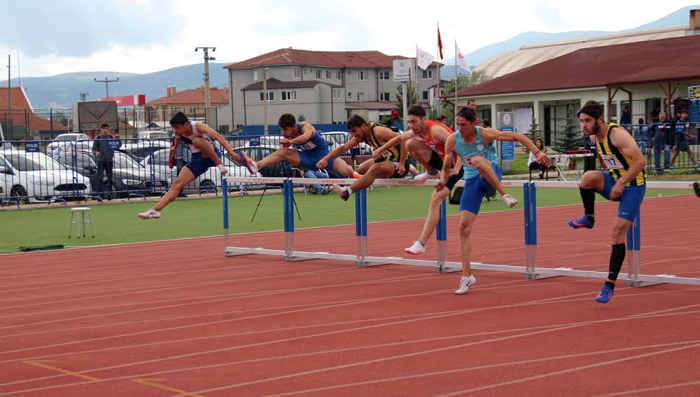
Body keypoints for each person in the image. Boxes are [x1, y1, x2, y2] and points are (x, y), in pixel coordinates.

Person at [440, 106, 549, 294]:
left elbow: (517, 137)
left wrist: (537, 152)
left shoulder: (486, 134)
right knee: (463, 227)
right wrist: (443, 181)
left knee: (477, 161)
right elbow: (446, 163)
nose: (460, 128)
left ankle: (504, 194)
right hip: (473, 182)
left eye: (463, 125)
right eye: (457, 124)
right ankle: (467, 276)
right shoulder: (453, 139)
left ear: (473, 124)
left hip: (492, 176)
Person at [567, 101, 646, 304]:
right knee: (587, 178)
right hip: (614, 181)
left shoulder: (617, 134)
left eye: (587, 121)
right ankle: (589, 218)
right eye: (581, 122)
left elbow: (640, 161)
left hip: (632, 187)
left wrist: (620, 183)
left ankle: (609, 285)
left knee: (617, 232)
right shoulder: (595, 136)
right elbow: (608, 159)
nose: (583, 126)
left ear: (600, 119)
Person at [138, 112, 257, 219]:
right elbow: (178, 138)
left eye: (178, 128)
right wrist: (174, 148)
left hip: (210, 153)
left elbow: (219, 137)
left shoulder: (198, 126)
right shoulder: (178, 131)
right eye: (174, 128)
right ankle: (156, 210)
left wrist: (230, 152)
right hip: (197, 160)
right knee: (178, 183)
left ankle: (221, 165)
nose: (176, 131)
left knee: (196, 141)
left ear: (186, 124)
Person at [320, 115, 407, 200]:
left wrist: (402, 163)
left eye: (354, 131)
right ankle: (360, 185)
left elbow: (402, 139)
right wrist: (326, 159)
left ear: (363, 126)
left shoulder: (378, 131)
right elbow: (343, 148)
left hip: (399, 163)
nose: (354, 135)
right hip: (386, 159)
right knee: (361, 169)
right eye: (351, 132)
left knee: (374, 168)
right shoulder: (361, 135)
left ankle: (347, 191)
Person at [254, 113, 356, 178]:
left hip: (324, 158)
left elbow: (305, 137)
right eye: (281, 129)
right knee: (282, 152)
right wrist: (285, 146)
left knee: (347, 171)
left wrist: (290, 142)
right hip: (307, 159)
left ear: (293, 126)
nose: (283, 132)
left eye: (285, 129)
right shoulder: (289, 135)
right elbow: (280, 153)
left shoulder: (305, 126)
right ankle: (257, 165)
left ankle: (359, 176)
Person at [92, 123, 116, 198]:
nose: (105, 130)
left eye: (106, 129)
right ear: (101, 130)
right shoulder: (98, 138)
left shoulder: (111, 137)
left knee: (109, 177)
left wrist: (117, 140)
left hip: (109, 160)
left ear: (108, 129)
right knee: (100, 177)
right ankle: (100, 194)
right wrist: (96, 152)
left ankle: (109, 193)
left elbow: (118, 145)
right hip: (101, 160)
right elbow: (93, 149)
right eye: (103, 129)